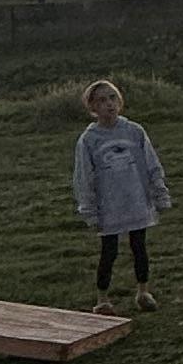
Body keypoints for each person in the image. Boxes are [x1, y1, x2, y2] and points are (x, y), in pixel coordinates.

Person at [73, 77, 170, 309]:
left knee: (139, 247)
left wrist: (159, 193)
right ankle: (102, 299)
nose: (109, 104)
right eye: (101, 100)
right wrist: (89, 211)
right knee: (109, 251)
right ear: (92, 107)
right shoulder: (89, 140)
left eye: (112, 98)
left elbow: (151, 164)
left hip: (136, 199)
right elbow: (84, 177)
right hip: (109, 205)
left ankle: (143, 292)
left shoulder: (134, 131)